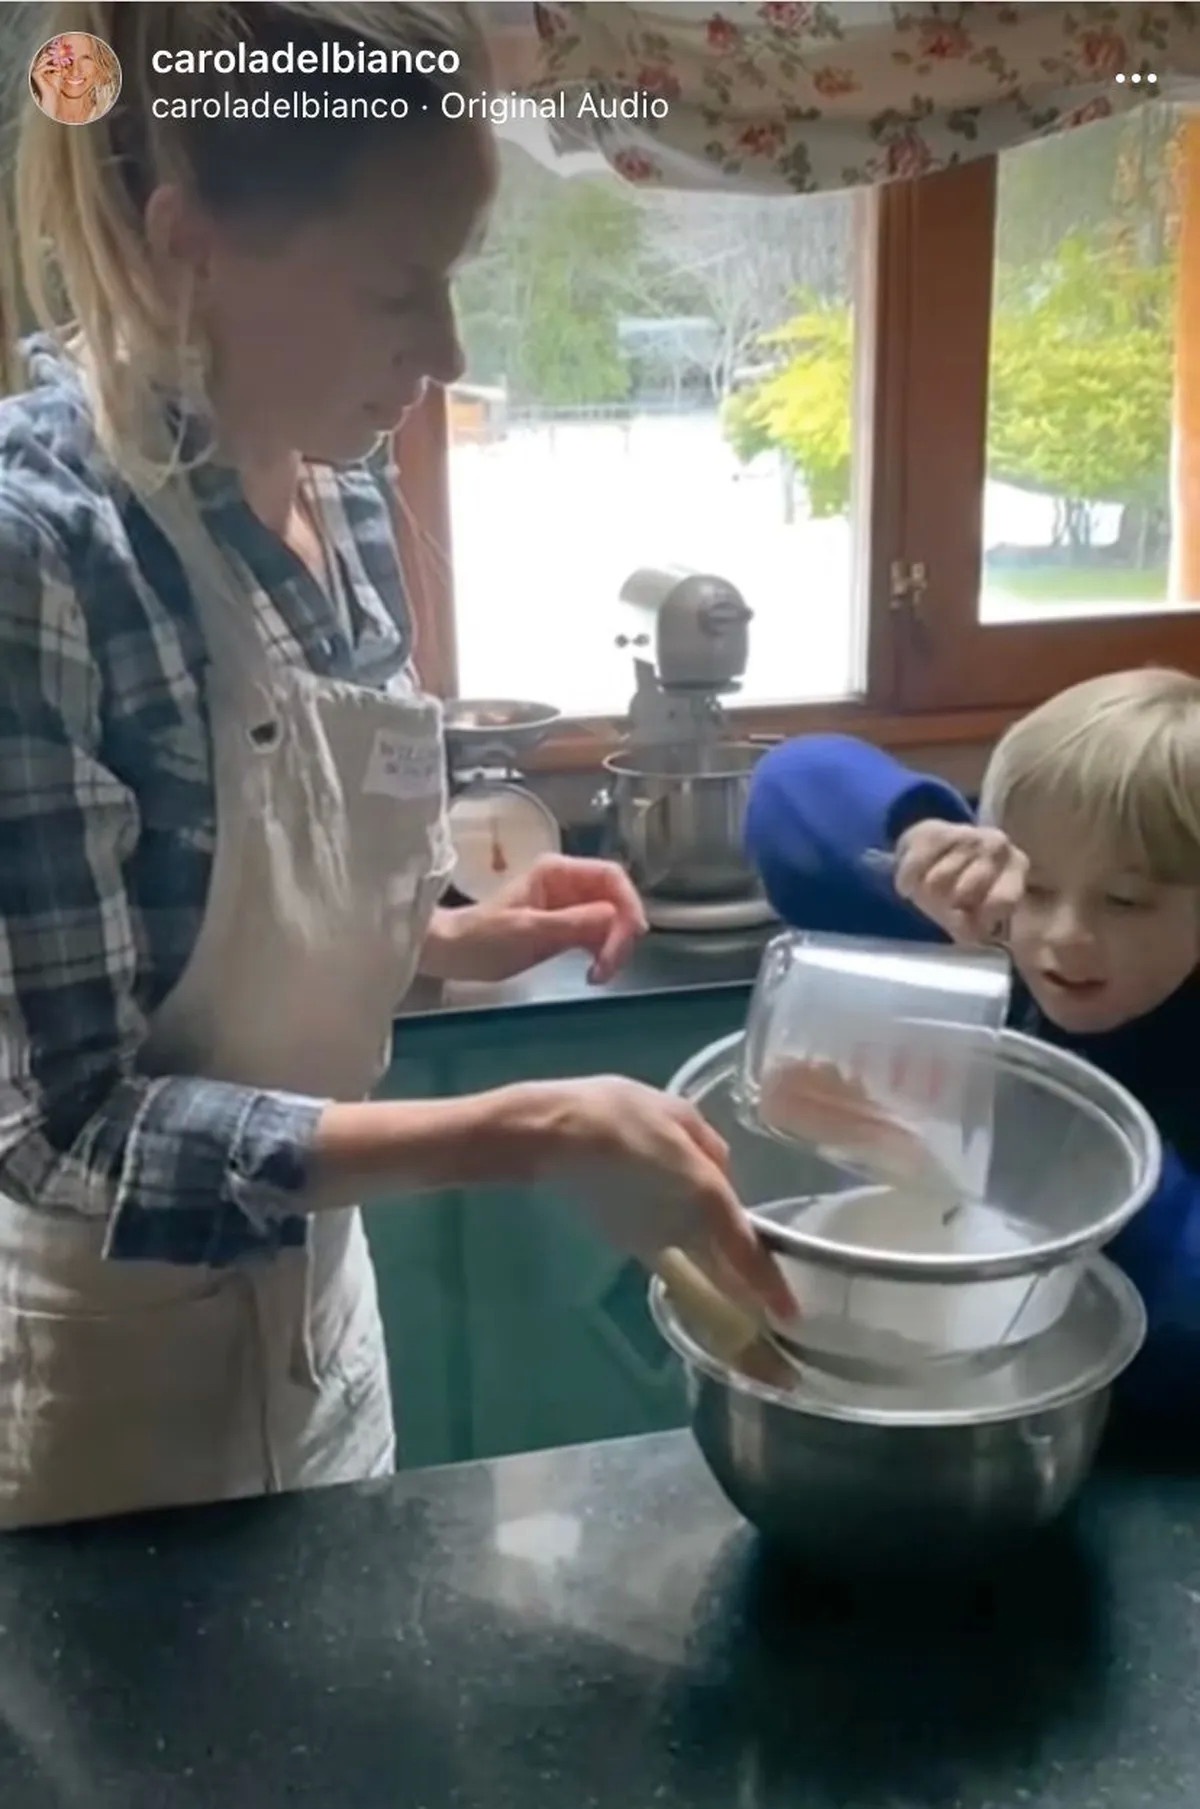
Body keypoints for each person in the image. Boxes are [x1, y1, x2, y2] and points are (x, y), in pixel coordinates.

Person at [0, 1, 791, 1531]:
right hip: (109, 1408)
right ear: (187, 246)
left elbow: (231, 937)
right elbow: (69, 1126)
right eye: (394, 291)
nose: (446, 352)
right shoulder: (43, 560)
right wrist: (526, 1129)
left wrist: (435, 938)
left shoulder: (344, 504)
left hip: (327, 1334)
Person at [744, 667, 1200, 1430]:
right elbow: (789, 783)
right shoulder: (980, 928)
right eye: (1039, 885)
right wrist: (919, 834)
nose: (1062, 936)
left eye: (1123, 900)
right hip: (946, 1401)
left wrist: (1075, 1155)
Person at [28, 30, 120, 125]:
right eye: (67, 59)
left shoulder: (114, 120)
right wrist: (48, 103)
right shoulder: (27, 117)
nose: (75, 71)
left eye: (86, 59)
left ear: (99, 65)